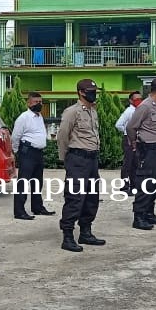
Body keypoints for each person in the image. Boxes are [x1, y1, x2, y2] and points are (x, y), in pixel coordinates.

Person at [56, 78, 106, 252]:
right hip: (77, 158)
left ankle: (86, 231)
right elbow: (63, 136)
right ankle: (67, 236)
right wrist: (65, 158)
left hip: (92, 159)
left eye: (95, 91)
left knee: (92, 197)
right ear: (81, 92)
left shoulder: (93, 111)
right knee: (75, 197)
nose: (94, 94)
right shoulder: (72, 112)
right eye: (90, 91)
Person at [126, 76, 156, 230]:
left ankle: (149, 213)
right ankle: (139, 216)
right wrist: (134, 143)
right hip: (148, 149)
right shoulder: (145, 106)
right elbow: (131, 127)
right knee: (146, 182)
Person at [10, 91, 54, 220]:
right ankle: (19, 211)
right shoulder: (24, 117)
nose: (38, 104)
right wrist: (16, 152)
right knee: (24, 182)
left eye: (40, 102)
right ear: (28, 103)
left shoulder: (39, 116)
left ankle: (37, 207)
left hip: (38, 153)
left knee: (37, 182)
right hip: (27, 152)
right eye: (35, 102)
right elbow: (15, 136)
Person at [115, 91, 142, 193]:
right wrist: (127, 132)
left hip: (137, 139)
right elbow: (118, 124)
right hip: (129, 139)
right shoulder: (129, 111)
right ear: (131, 100)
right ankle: (124, 186)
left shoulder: (139, 110)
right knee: (128, 164)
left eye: (140, 99)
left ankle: (134, 186)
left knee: (135, 164)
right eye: (136, 99)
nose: (139, 101)